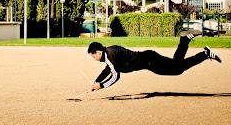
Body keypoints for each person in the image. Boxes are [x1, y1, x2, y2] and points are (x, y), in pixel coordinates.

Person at [87, 31, 222, 90]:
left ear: (98, 52)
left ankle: (204, 54)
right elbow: (108, 69)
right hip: (149, 59)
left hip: (150, 61)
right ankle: (186, 41)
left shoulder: (110, 55)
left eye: (94, 56)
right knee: (177, 65)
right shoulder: (110, 53)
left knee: (178, 69)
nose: (94, 59)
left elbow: (115, 76)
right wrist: (98, 80)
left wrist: (102, 85)